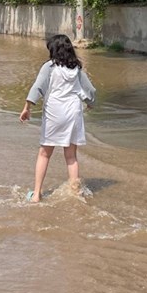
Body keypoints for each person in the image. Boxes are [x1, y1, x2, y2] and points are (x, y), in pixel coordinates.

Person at [19, 34, 96, 202]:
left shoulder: (49, 67)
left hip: (55, 113)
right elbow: (90, 90)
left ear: (53, 50)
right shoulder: (76, 68)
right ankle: (76, 193)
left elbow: (38, 87)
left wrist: (27, 107)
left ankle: (37, 194)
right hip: (73, 113)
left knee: (44, 154)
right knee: (71, 156)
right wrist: (90, 103)